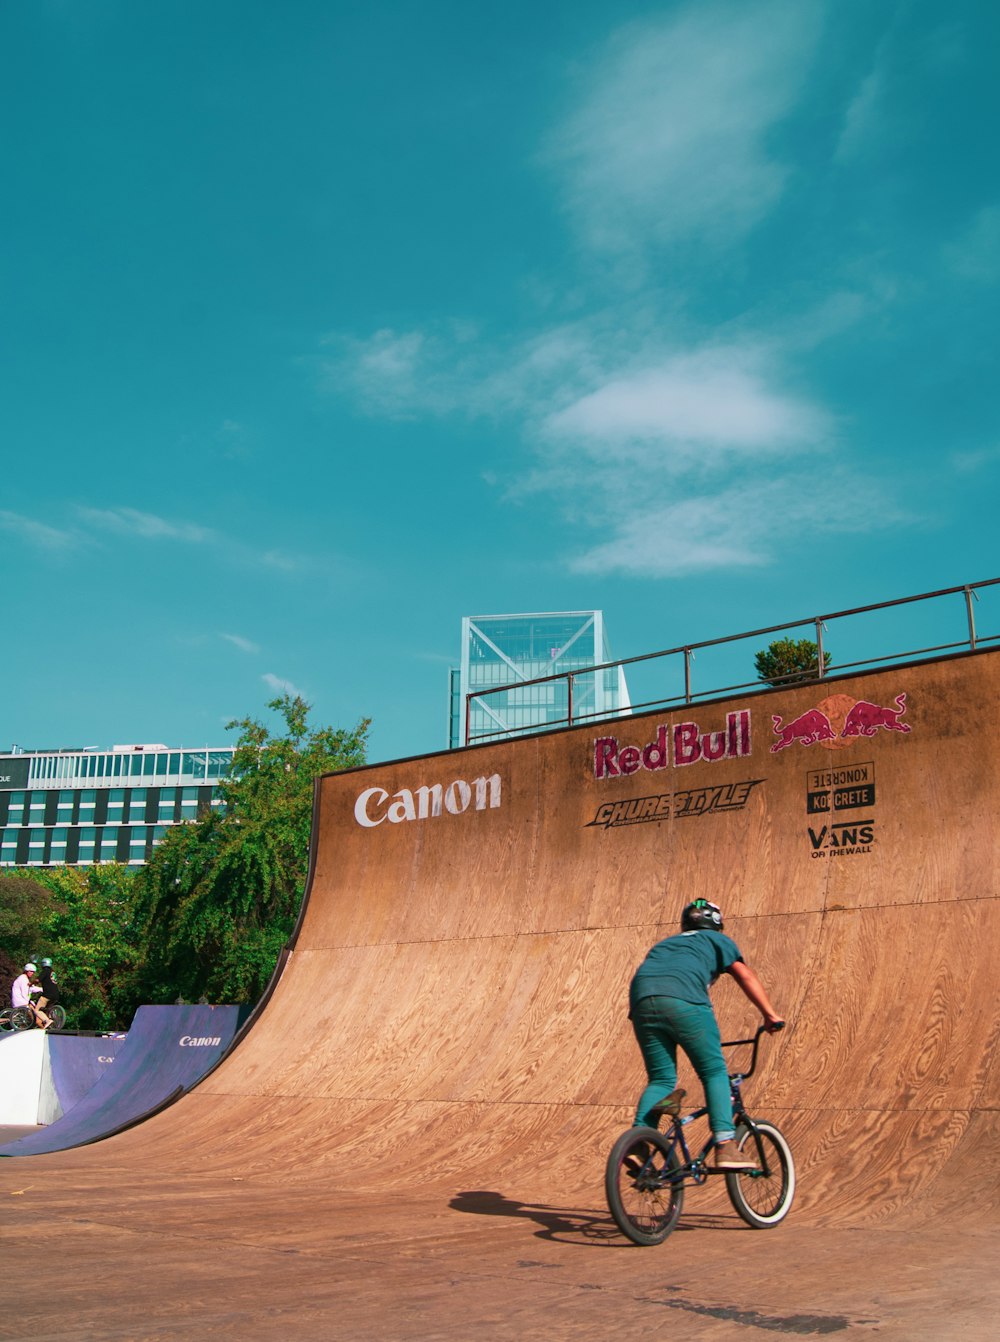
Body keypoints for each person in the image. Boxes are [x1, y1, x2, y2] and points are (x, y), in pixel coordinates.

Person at [629, 898, 783, 1172]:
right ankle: (725, 1144)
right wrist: (770, 1014)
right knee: (713, 1072)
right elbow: (744, 975)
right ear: (716, 924)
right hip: (684, 1001)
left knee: (662, 1078)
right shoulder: (716, 940)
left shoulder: (666, 944)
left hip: (642, 1003)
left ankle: (639, 1140)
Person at [10, 962, 52, 1030]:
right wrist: (29, 1002)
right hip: (21, 1001)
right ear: (26, 971)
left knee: (35, 1009)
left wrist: (43, 989)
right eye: (31, 971)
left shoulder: (25, 979)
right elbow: (24, 992)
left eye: (33, 972)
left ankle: (41, 1025)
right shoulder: (23, 979)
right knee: (35, 1012)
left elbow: (32, 988)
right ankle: (41, 1025)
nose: (32, 973)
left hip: (23, 1000)